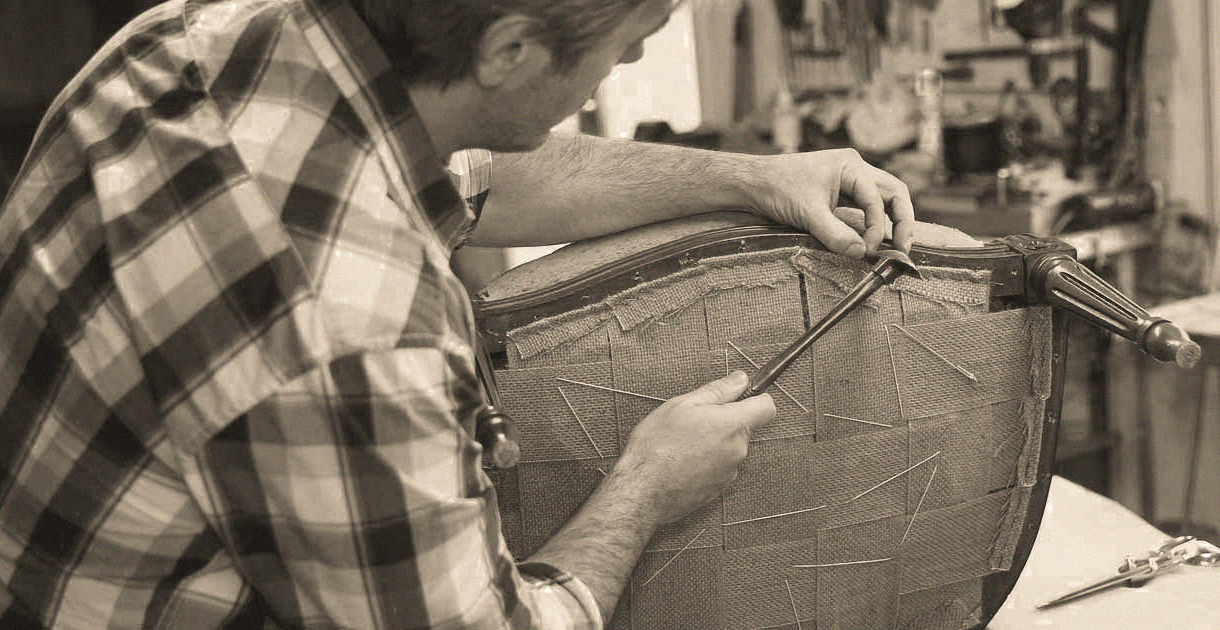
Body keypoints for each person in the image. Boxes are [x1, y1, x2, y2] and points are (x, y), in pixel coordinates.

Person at [0, 0, 915, 627]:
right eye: (627, 41)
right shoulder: (358, 334)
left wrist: (751, 176)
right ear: (507, 51)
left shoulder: (192, 38)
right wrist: (645, 489)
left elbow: (477, 180)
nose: (629, 63)